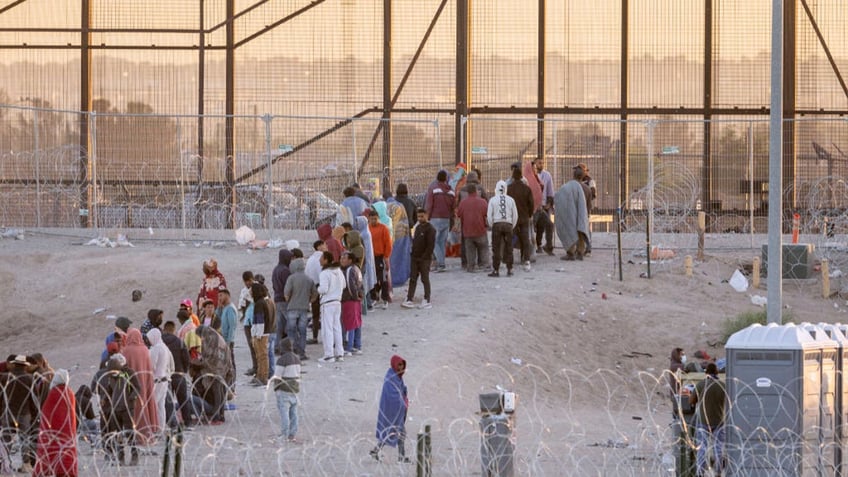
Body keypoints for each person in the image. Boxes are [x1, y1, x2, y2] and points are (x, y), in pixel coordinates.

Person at [100, 354, 141, 466]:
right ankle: (121, 456)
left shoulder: (129, 373)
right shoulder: (111, 376)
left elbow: (137, 388)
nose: (112, 374)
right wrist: (104, 398)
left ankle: (134, 455)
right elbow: (109, 389)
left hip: (127, 409)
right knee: (117, 434)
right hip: (115, 409)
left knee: (129, 433)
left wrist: (131, 397)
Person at [370, 355, 410, 463]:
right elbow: (393, 396)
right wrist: (402, 403)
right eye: (399, 365)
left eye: (402, 365)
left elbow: (401, 390)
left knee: (392, 432)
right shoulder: (391, 377)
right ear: (394, 365)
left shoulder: (397, 377)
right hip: (391, 411)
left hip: (396, 411)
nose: (401, 367)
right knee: (399, 432)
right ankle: (401, 458)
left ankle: (376, 450)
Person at [689, 362, 726, 477]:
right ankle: (718, 472)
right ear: (717, 372)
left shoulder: (701, 385)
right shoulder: (722, 385)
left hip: (703, 422)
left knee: (702, 448)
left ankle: (700, 472)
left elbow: (691, 401)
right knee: (718, 448)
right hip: (719, 421)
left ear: (706, 373)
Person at [122, 328, 158, 446]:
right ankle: (147, 434)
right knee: (146, 406)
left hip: (131, 385)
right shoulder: (145, 349)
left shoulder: (126, 351)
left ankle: (135, 436)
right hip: (145, 382)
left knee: (134, 409)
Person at [191, 325, 233, 425]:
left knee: (217, 389)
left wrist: (197, 362)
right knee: (220, 390)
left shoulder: (211, 338)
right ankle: (221, 414)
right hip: (222, 366)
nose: (201, 339)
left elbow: (208, 357)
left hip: (217, 367)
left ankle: (216, 415)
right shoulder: (215, 336)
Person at [4, 355, 39, 473]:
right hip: (25, 413)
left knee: (6, 440)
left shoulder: (5, 377)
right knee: (24, 439)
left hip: (8, 412)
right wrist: (35, 414)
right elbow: (33, 399)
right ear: (24, 365)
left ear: (14, 364)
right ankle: (26, 464)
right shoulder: (29, 378)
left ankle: (4, 463)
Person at [284, 256, 318, 360]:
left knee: (291, 330)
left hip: (292, 307)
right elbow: (315, 294)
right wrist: (308, 301)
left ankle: (292, 352)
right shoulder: (309, 279)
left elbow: (286, 294)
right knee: (302, 331)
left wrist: (289, 301)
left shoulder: (291, 278)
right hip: (304, 308)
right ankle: (302, 353)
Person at [402, 208, 436, 309]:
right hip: (415, 258)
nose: (420, 218)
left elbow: (430, 246)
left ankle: (427, 299)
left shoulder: (431, 229)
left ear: (427, 215)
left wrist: (424, 257)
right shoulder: (418, 228)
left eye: (422, 216)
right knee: (413, 279)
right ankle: (409, 298)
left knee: (424, 279)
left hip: (424, 259)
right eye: (418, 217)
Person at [555, 167, 591, 261]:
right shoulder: (586, 188)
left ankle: (570, 252)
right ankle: (580, 252)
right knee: (581, 231)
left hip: (569, 215)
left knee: (570, 230)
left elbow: (559, 199)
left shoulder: (566, 187)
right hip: (582, 214)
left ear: (573, 175)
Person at [161, 321, 192, 427]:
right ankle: (187, 422)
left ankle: (170, 423)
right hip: (179, 374)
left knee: (167, 402)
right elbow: (186, 359)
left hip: (165, 376)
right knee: (183, 400)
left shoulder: (159, 342)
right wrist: (184, 370)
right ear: (173, 330)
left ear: (164, 329)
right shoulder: (179, 342)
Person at [424, 170, 456, 272]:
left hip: (435, 218)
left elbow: (429, 204)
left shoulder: (433, 189)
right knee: (441, 242)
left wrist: (426, 217)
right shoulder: (451, 191)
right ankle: (441, 264)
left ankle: (441, 264)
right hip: (446, 219)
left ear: (437, 178)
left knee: (433, 242)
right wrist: (452, 220)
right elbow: (453, 207)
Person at [317, 250, 346, 362]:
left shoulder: (324, 273)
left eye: (321, 258)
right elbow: (344, 285)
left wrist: (317, 289)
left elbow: (323, 289)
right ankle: (340, 353)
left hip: (327, 303)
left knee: (327, 329)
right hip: (337, 302)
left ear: (326, 260)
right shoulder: (338, 271)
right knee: (336, 328)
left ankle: (329, 354)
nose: (320, 260)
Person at [272, 337, 302, 443]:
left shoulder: (282, 360)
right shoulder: (297, 359)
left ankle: (284, 434)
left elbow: (277, 376)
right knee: (294, 413)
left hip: (284, 389)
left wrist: (275, 389)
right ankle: (292, 434)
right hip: (294, 389)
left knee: (284, 412)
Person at [487, 180, 519, 277]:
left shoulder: (492, 200)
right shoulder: (511, 200)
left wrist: (492, 225)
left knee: (496, 248)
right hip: (508, 224)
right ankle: (509, 269)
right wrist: (511, 225)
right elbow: (515, 215)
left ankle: (496, 270)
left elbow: (489, 215)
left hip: (497, 224)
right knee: (509, 247)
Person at [456, 183, 490, 273]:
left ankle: (471, 266)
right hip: (480, 230)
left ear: (467, 192)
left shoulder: (463, 203)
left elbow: (459, 214)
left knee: (470, 250)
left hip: (467, 231)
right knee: (483, 248)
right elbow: (487, 214)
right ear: (476, 191)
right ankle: (485, 264)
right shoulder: (483, 202)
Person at [507, 167, 535, 272]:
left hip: (512, 218)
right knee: (525, 238)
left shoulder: (508, 188)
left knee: (511, 237)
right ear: (521, 176)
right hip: (524, 217)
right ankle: (526, 259)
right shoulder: (527, 189)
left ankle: (510, 258)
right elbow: (531, 204)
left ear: (513, 177)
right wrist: (529, 214)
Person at [147, 328, 174, 435]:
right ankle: (160, 428)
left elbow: (151, 365)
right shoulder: (165, 347)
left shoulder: (156, 349)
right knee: (161, 406)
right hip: (165, 379)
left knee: (154, 405)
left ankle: (154, 428)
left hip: (157, 381)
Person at [250, 282, 275, 385]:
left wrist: (257, 335)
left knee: (262, 356)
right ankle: (260, 375)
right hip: (266, 332)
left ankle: (263, 376)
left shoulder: (259, 304)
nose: (250, 292)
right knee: (262, 356)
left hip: (262, 334)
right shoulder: (266, 302)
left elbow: (260, 321)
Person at [340, 251, 364, 356]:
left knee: (350, 324)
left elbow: (351, 286)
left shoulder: (349, 270)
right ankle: (357, 346)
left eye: (344, 258)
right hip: (356, 300)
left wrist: (354, 297)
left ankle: (349, 347)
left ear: (350, 260)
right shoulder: (357, 268)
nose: (342, 260)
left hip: (350, 300)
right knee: (357, 323)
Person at [368, 209, 393, 308]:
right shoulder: (367, 228)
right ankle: (374, 298)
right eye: (371, 219)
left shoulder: (383, 228)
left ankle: (385, 299)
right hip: (371, 258)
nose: (373, 221)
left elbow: (388, 244)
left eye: (375, 219)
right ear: (368, 219)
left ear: (378, 218)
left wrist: (386, 257)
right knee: (373, 279)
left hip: (381, 257)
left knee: (383, 279)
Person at [272, 249, 294, 356]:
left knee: (279, 326)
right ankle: (292, 346)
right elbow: (288, 286)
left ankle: (277, 346)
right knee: (290, 324)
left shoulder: (276, 269)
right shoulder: (285, 270)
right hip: (284, 300)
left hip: (277, 299)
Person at [305, 240, 326, 345]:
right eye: (324, 245)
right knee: (326, 313)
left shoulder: (310, 259)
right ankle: (327, 337)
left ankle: (314, 336)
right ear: (319, 246)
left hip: (313, 287)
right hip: (322, 287)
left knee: (315, 314)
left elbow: (307, 274)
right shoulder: (323, 258)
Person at [533, 157, 555, 255]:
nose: (541, 165)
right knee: (534, 226)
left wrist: (549, 204)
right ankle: (536, 246)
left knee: (547, 225)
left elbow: (550, 191)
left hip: (543, 206)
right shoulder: (531, 175)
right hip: (534, 207)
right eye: (539, 163)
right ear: (535, 164)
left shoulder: (547, 175)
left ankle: (548, 247)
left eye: (542, 163)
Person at [238, 271, 258, 377]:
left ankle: (260, 367)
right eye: (246, 282)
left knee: (258, 345)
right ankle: (255, 366)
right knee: (251, 345)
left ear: (252, 279)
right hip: (247, 321)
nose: (247, 284)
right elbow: (241, 305)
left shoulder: (259, 288)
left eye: (249, 281)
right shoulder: (243, 291)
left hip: (257, 321)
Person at [217, 289, 238, 382]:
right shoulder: (224, 308)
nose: (219, 298)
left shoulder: (230, 309)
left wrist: (228, 343)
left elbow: (232, 327)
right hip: (223, 341)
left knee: (230, 364)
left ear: (227, 295)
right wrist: (219, 307)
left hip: (228, 341)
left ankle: (232, 385)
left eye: (221, 296)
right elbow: (217, 318)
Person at [576, 163, 596, 255]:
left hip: (585, 208)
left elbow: (593, 194)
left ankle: (588, 246)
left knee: (585, 227)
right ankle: (580, 247)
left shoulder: (590, 181)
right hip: (577, 208)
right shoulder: (576, 181)